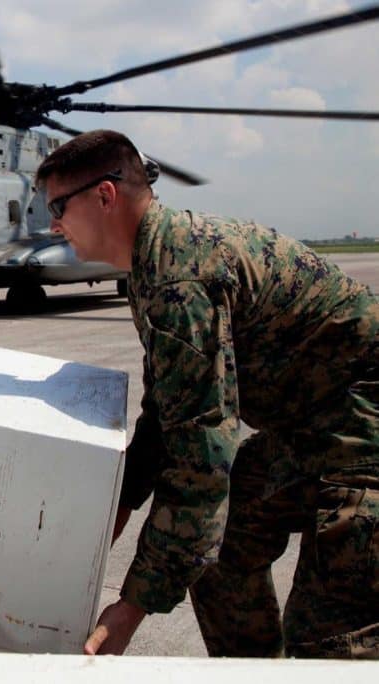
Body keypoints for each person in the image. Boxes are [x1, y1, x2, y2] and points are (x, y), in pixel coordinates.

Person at [35, 129, 379, 658]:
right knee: (216, 554)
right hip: (316, 424)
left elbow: (201, 463)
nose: (53, 224)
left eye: (58, 205)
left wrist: (129, 610)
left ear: (104, 196)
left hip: (363, 430)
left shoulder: (179, 278)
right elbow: (166, 409)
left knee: (329, 640)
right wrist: (121, 501)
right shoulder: (155, 264)